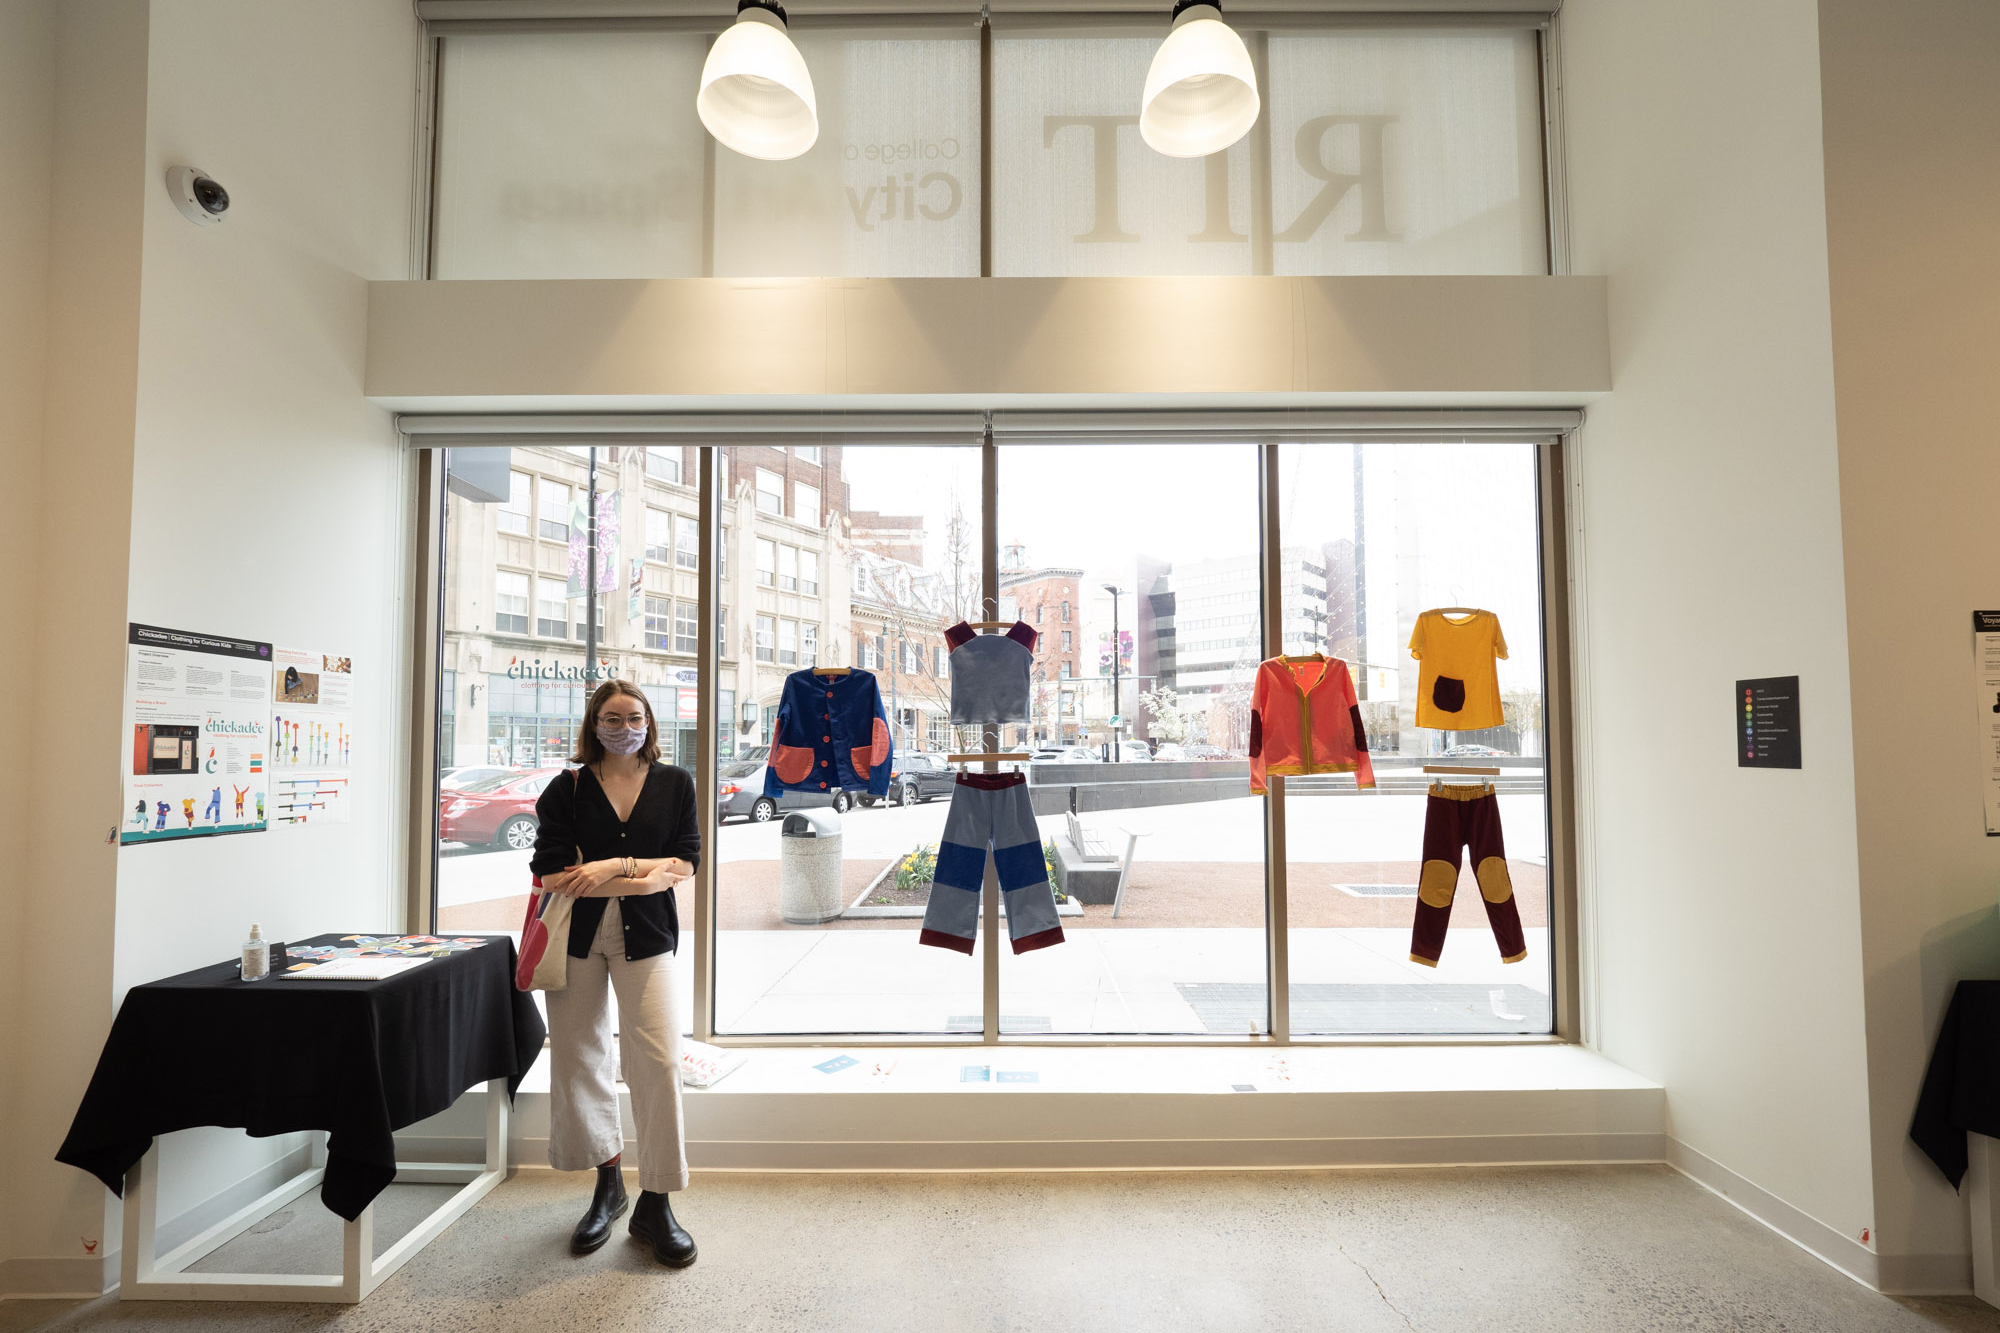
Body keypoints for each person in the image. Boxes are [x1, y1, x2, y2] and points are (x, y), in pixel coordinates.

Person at [530, 680, 700, 1267]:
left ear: (650, 723)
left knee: (658, 1059)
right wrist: (643, 876)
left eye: (634, 717)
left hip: (647, 936)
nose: (623, 727)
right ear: (593, 722)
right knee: (581, 1057)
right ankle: (608, 1184)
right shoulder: (568, 788)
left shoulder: (676, 783)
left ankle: (657, 1201)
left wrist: (606, 867)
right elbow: (551, 873)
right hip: (575, 938)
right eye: (611, 717)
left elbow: (686, 861)